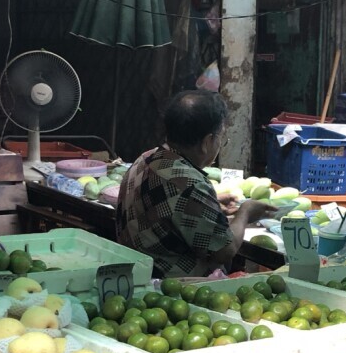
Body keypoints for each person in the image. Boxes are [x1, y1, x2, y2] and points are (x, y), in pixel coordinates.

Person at [117, 89, 276, 277]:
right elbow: (225, 250)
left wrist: (210, 204)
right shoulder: (190, 185)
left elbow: (166, 206)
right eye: (221, 137)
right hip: (168, 289)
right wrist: (245, 213)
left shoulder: (147, 158)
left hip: (134, 270)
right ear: (207, 141)